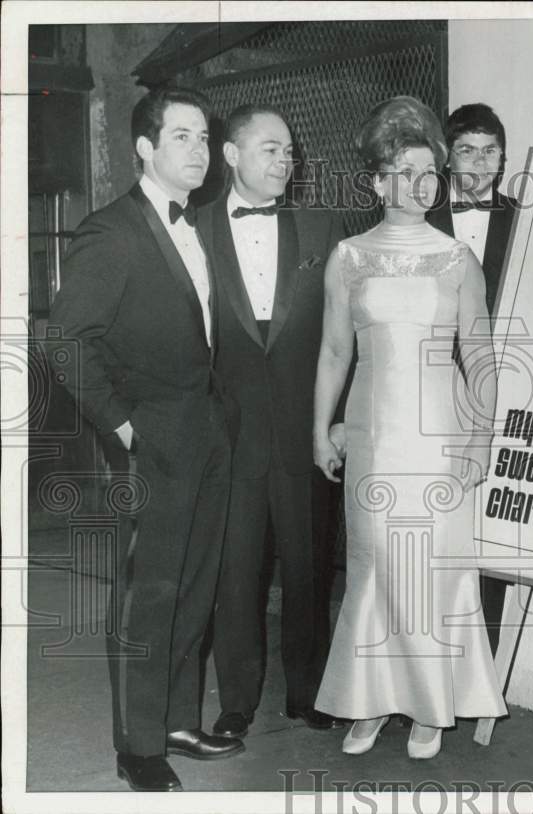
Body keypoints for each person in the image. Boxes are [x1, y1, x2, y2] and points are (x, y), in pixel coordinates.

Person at [47, 86, 243, 792]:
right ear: (145, 148)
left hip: (207, 430)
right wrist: (125, 425)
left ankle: (178, 721)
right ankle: (137, 747)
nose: (198, 149)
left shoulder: (198, 225)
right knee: (147, 593)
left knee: (195, 584)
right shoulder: (112, 230)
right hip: (152, 435)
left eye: (203, 136)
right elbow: (66, 342)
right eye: (182, 136)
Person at [312, 96, 507, 760]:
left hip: (440, 434)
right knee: (374, 566)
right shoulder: (348, 257)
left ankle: (430, 705)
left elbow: (479, 354)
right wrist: (320, 428)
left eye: (430, 172)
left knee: (429, 567)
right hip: (372, 432)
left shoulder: (456, 259)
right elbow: (335, 352)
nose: (422, 184)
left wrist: (480, 440)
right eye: (405, 171)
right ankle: (369, 699)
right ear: (377, 181)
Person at [197, 104, 346, 742]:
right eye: (269, 149)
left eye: (289, 150)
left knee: (310, 568)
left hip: (304, 428)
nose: (285, 161)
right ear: (230, 155)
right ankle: (235, 703)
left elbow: (346, 339)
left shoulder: (322, 229)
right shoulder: (192, 230)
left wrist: (335, 422)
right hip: (228, 436)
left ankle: (308, 694)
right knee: (236, 575)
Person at [425, 102, 516, 656]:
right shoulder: (418, 222)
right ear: (446, 158)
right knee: (434, 523)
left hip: (501, 390)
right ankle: (432, 652)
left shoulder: (526, 219)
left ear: (503, 159)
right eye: (466, 151)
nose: (479, 163)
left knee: (493, 524)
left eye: (490, 151)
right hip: (431, 396)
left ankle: (485, 657)